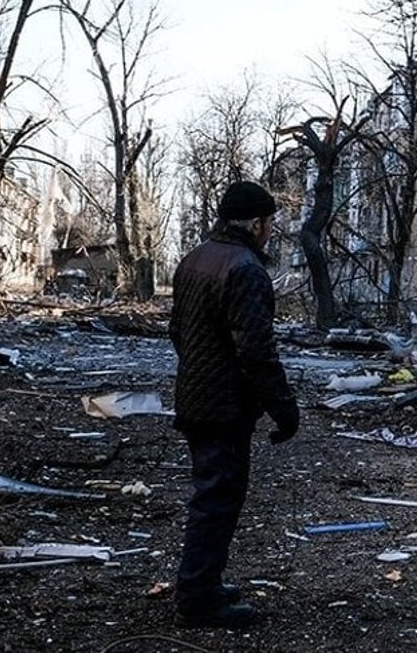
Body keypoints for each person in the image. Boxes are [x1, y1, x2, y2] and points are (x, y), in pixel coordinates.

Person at [168, 181, 300, 628]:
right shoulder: (245, 269)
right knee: (218, 498)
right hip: (224, 404)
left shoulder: (195, 259)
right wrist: (284, 408)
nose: (270, 233)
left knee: (212, 494)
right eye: (269, 224)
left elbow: (178, 333)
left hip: (196, 396)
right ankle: (198, 596)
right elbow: (256, 351)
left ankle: (203, 582)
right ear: (258, 223)